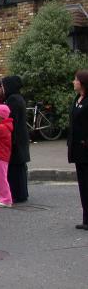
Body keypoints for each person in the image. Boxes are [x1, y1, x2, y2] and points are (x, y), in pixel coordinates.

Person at [2, 75, 30, 203]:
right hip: (21, 136)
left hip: (16, 137)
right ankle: (21, 193)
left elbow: (11, 119)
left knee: (15, 167)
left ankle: (18, 193)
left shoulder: (12, 99)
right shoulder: (18, 98)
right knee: (20, 166)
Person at [69, 70, 88, 230]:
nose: (73, 82)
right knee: (83, 185)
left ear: (82, 82)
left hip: (85, 148)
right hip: (77, 149)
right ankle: (86, 219)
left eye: (75, 80)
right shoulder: (77, 99)